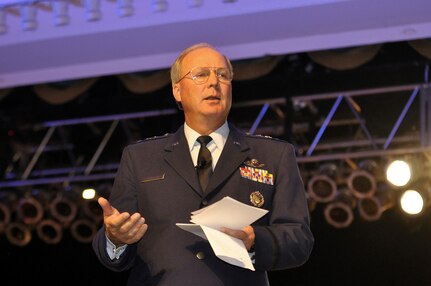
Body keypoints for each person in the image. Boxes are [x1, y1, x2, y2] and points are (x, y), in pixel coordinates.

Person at [92, 43, 314, 286]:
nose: (214, 82)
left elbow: (299, 239)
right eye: (201, 74)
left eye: (222, 75)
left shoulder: (274, 154)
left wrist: (254, 240)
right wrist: (116, 239)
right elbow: (115, 250)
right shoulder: (140, 157)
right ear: (177, 91)